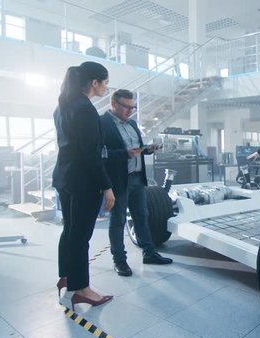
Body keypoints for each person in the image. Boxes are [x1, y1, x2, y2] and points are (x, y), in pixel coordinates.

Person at [53, 61, 115, 310]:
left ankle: (66, 276)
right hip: (83, 182)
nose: (106, 87)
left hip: (64, 177)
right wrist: (107, 187)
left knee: (70, 230)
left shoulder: (62, 107)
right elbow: (91, 154)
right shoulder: (85, 109)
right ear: (94, 83)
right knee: (81, 236)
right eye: (105, 82)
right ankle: (82, 289)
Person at [100, 89, 173, 277]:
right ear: (114, 104)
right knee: (118, 221)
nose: (130, 111)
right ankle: (120, 261)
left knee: (142, 216)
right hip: (118, 181)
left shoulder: (132, 123)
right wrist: (124, 154)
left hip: (137, 178)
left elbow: (136, 150)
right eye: (126, 107)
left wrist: (148, 150)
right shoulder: (102, 123)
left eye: (133, 107)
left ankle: (149, 253)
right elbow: (100, 154)